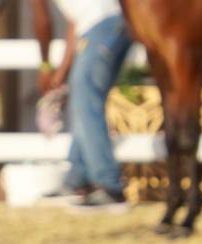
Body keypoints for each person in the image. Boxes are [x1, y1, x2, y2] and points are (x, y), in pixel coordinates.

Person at [31, 0, 133, 210]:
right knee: (82, 100)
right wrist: (62, 73)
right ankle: (78, 181)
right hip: (111, 24)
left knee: (86, 104)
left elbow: (42, 21)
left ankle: (109, 185)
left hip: (100, 26)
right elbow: (74, 25)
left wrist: (44, 65)